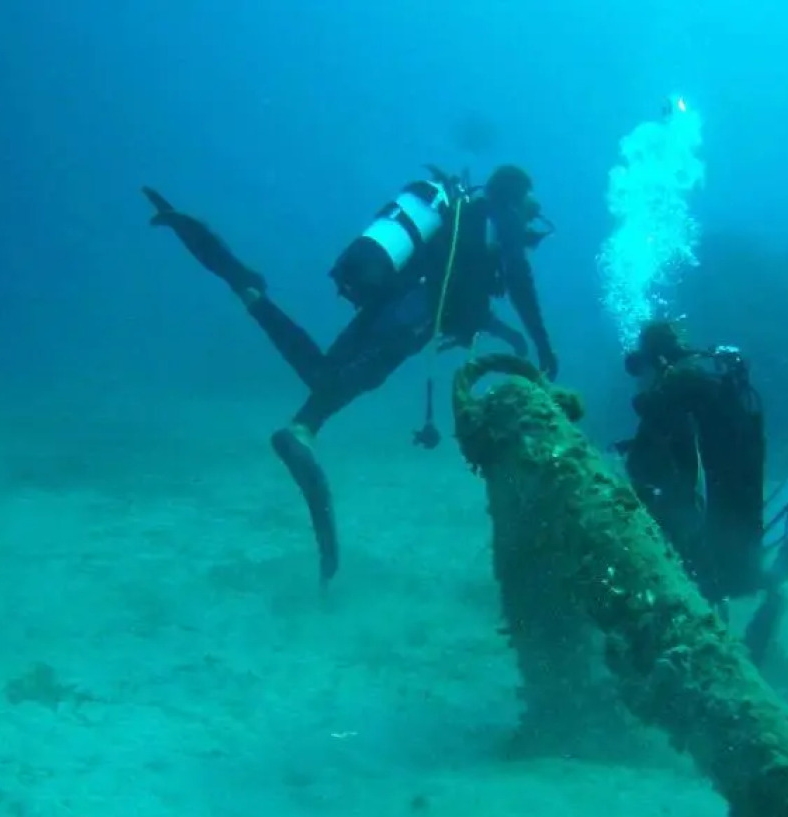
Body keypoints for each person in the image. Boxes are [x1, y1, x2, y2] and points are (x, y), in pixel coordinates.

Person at [141, 164, 559, 583]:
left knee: (325, 373)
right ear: (515, 195)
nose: (530, 215)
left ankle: (292, 402)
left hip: (398, 299)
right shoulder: (498, 214)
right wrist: (540, 342)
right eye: (529, 204)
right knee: (350, 377)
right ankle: (303, 425)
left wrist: (510, 335)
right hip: (415, 308)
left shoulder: (468, 222)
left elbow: (472, 304)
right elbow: (518, 280)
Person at [615, 320, 788, 663]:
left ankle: (712, 628)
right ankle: (769, 592)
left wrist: (648, 392)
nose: (637, 376)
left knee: (704, 568)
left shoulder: (680, 384)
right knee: (732, 567)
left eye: (639, 366)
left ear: (654, 358)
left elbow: (649, 426)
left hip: (718, 522)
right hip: (737, 513)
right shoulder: (711, 384)